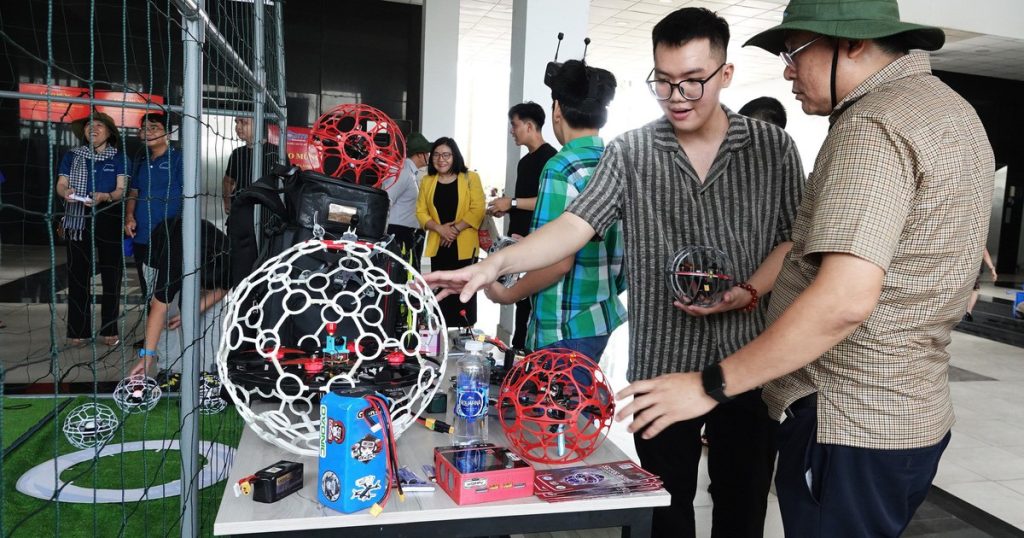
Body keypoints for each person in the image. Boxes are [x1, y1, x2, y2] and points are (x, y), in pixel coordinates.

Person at [612, 1, 995, 536]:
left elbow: (843, 302)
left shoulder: (872, 125)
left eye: (795, 53)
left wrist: (711, 384)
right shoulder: (950, 110)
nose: (788, 71)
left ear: (852, 44)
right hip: (915, 412)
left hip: (849, 420)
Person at [424, 8, 805, 537]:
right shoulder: (632, 151)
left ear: (726, 74)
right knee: (663, 513)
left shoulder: (771, 148)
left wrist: (749, 290)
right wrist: (495, 263)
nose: (677, 97)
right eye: (663, 82)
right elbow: (574, 226)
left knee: (742, 507)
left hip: (748, 362)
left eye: (693, 81)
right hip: (662, 367)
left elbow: (791, 238)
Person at [484, 62, 625, 361]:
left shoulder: (561, 167)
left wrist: (507, 294)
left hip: (562, 325)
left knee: (556, 394)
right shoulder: (616, 162)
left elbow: (559, 260)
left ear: (557, 109)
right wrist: (531, 245)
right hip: (598, 319)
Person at [487, 102, 558, 351]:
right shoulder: (524, 162)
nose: (512, 131)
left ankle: (532, 355)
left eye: (514, 125)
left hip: (539, 243)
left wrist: (513, 202)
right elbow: (524, 202)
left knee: (533, 301)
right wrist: (507, 207)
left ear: (529, 126)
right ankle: (518, 353)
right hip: (518, 240)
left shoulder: (551, 160)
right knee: (520, 301)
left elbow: (549, 200)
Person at [55, 111, 129, 346]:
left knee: (111, 274)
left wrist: (105, 196)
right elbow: (61, 184)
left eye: (99, 125)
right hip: (78, 218)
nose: (93, 129)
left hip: (109, 216)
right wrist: (66, 192)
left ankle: (110, 330)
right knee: (78, 274)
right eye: (89, 125)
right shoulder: (72, 156)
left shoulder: (119, 157)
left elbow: (121, 190)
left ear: (109, 132)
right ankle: (79, 330)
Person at [128, 217, 229, 382]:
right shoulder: (172, 266)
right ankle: (170, 371)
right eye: (203, 288)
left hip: (198, 255)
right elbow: (158, 310)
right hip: (158, 259)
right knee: (167, 316)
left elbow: (224, 288)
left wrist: (191, 312)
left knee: (214, 309)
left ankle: (209, 371)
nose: (202, 291)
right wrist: (146, 357)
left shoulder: (229, 255)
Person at [416, 138, 485, 328]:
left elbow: (478, 209)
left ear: (455, 156)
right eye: (436, 155)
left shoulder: (470, 178)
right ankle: (441, 330)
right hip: (439, 245)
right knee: (441, 290)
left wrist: (454, 230)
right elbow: (421, 212)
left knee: (465, 290)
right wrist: (440, 229)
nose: (441, 159)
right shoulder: (428, 181)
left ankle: (465, 331)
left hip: (464, 246)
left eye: (446, 155)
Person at [125, 113, 183, 302]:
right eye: (144, 129)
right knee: (147, 289)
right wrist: (129, 216)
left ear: (168, 133)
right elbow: (134, 192)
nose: (148, 132)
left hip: (170, 235)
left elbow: (188, 195)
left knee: (170, 290)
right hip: (142, 235)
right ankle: (151, 320)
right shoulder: (141, 161)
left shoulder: (179, 159)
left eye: (154, 128)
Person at [221, 116, 285, 214]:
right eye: (236, 122)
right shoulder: (237, 153)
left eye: (244, 122)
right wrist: (228, 203)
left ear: (258, 125)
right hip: (242, 211)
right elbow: (228, 181)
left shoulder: (277, 153)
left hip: (269, 213)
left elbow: (287, 185)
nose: (238, 127)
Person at [387, 132, 431, 272]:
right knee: (401, 274)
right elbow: (387, 199)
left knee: (408, 274)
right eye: (427, 153)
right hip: (398, 234)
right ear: (420, 154)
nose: (429, 156)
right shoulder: (403, 172)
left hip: (405, 234)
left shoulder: (410, 172)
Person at [964, 247, 997, 321]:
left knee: (972, 288)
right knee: (974, 289)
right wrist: (992, 269)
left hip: (958, 266)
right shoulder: (978, 240)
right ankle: (968, 312)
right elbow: (985, 253)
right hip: (972, 267)